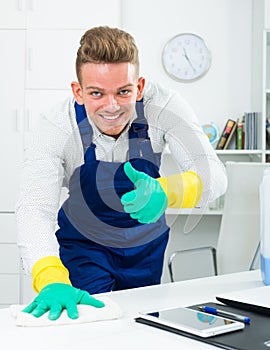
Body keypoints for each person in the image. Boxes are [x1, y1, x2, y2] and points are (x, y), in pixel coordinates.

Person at [15, 26, 227, 321]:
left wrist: (169, 190)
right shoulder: (56, 125)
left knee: (140, 329)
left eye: (123, 91)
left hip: (145, 252)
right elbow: (34, 209)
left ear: (139, 87)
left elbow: (215, 175)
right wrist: (50, 276)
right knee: (92, 330)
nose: (111, 106)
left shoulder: (164, 107)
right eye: (97, 93)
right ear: (78, 92)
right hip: (84, 250)